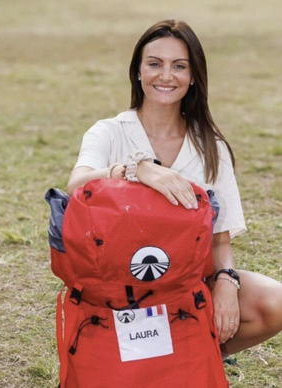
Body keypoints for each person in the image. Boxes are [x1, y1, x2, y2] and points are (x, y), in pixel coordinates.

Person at [67, 19, 282, 356]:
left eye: (179, 66)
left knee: (275, 302)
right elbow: (75, 185)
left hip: (187, 285)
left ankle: (201, 357)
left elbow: (219, 239)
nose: (165, 76)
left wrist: (226, 283)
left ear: (193, 76)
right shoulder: (109, 132)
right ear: (138, 72)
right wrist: (136, 171)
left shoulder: (211, 148)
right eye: (154, 64)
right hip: (118, 289)